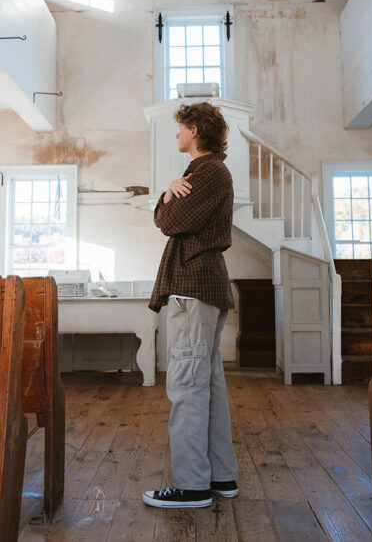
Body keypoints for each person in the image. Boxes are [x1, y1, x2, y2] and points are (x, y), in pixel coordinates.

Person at [142, 101, 239, 509]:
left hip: (195, 288)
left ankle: (193, 485)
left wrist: (165, 198)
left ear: (196, 130)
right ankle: (221, 477)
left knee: (186, 386)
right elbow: (169, 214)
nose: (177, 134)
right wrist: (167, 191)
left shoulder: (208, 172)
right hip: (202, 287)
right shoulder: (204, 172)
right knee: (207, 385)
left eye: (181, 128)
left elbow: (166, 222)